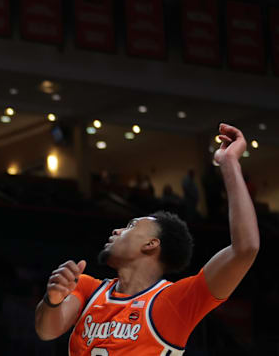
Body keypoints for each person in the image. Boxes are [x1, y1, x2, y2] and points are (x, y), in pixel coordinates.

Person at [35, 124, 259, 355]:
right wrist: (52, 299)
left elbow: (245, 249)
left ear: (151, 244)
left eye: (130, 226)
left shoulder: (173, 302)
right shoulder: (86, 287)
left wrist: (230, 162)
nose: (116, 231)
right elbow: (46, 331)